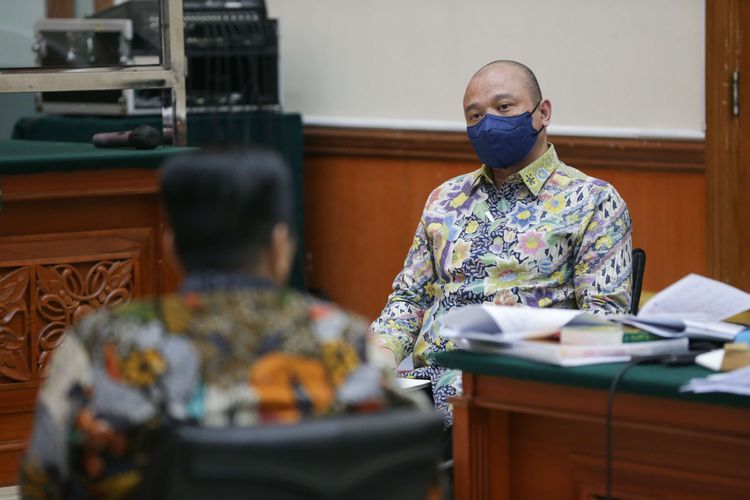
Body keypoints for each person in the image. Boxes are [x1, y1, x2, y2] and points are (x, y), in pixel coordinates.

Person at [20, 149, 420, 499]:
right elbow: (409, 469)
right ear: (280, 246)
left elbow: (41, 483)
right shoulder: (346, 339)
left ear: (171, 247)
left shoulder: (102, 341)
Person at [371, 60, 633, 424]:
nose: (489, 122)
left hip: (522, 390)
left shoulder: (593, 201)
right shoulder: (445, 199)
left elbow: (605, 322)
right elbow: (409, 298)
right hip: (428, 387)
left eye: (504, 108)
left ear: (543, 113)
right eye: (475, 115)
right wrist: (379, 353)